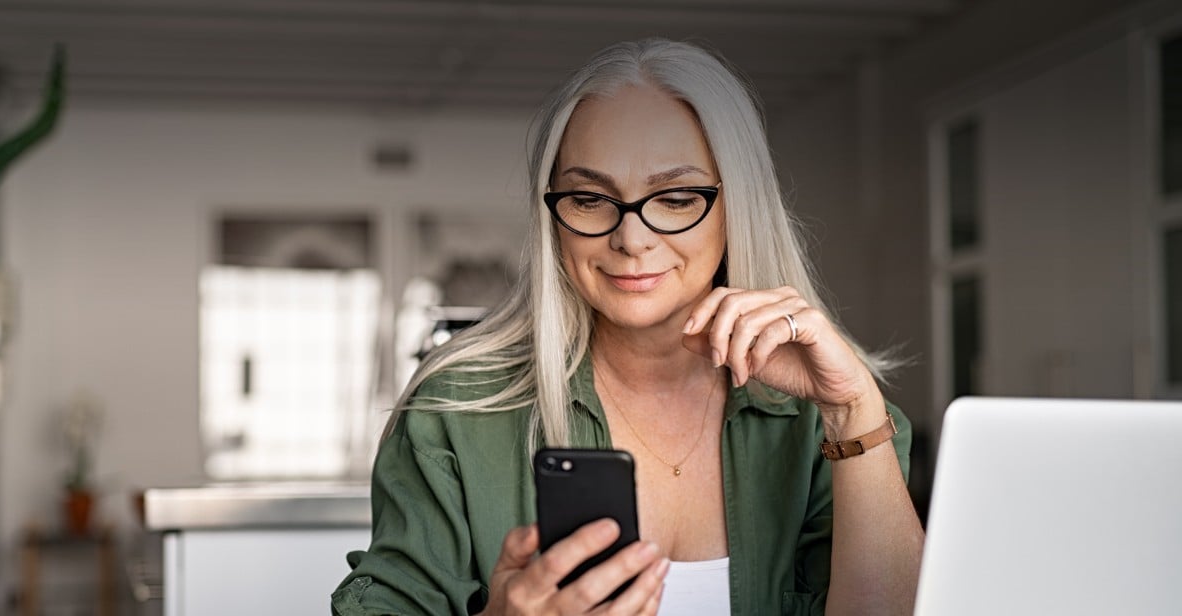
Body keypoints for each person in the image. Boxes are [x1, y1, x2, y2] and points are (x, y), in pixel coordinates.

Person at [332, 38, 924, 615]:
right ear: (552, 215)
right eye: (590, 199)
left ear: (737, 207)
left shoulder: (830, 419)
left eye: (675, 197)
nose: (631, 239)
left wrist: (851, 410)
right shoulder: (456, 412)